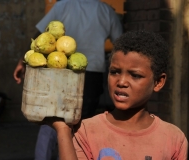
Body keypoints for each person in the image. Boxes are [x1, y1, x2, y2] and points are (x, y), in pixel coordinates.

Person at [47, 30, 188, 160]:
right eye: (114, 72)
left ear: (158, 82)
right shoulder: (86, 131)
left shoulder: (173, 139)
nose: (121, 82)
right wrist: (63, 130)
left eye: (135, 75)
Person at [13, 0, 123, 159]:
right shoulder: (106, 11)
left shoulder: (63, 5)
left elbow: (42, 37)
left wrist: (22, 60)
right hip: (91, 73)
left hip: (59, 71)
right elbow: (120, 43)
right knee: (81, 122)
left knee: (50, 117)